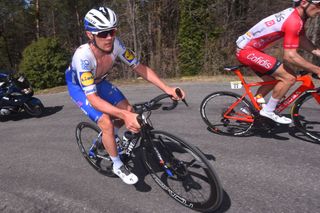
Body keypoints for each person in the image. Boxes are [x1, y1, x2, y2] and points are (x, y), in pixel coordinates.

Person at [65, 6, 185, 185]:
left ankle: (107, 138)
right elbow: (93, 99)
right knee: (106, 121)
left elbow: (140, 68)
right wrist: (124, 116)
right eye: (103, 33)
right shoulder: (83, 57)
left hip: (99, 81)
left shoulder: (117, 45)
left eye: (112, 31)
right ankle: (117, 163)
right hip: (80, 89)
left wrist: (166, 88)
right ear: (90, 35)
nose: (109, 37)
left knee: (128, 109)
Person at [235, 0, 320, 124]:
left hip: (251, 49)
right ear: (303, 3)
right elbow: (290, 57)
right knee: (289, 77)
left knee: (272, 81)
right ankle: (269, 111)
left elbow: (302, 40)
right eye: (318, 5)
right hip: (247, 50)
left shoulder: (298, 17)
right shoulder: (294, 20)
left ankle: (249, 109)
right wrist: (317, 69)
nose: (319, 10)